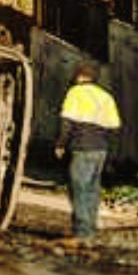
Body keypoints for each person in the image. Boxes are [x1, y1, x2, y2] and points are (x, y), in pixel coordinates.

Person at [54, 62, 122, 243]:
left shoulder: (75, 92)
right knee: (92, 190)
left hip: (82, 148)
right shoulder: (106, 96)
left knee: (79, 189)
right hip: (101, 149)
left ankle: (81, 234)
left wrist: (61, 144)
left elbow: (66, 122)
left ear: (79, 77)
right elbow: (115, 126)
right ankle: (90, 232)